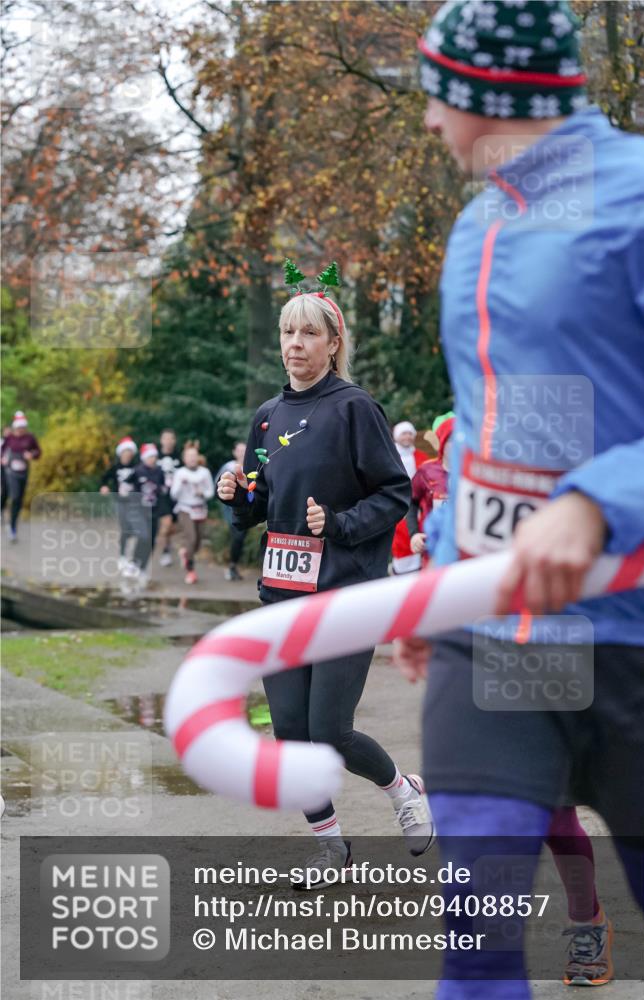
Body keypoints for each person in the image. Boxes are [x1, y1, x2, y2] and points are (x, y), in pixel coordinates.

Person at [395, 2, 644, 995]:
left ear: (487, 97)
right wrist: (434, 578)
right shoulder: (475, 228)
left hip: (641, 634)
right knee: (478, 925)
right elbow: (485, 430)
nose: (428, 120)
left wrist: (596, 502)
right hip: (499, 633)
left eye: (437, 95)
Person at [218, 265, 433, 886]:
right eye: (288, 332)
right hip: (282, 596)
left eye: (309, 334)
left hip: (343, 594)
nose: (295, 344)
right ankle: (331, 847)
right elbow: (258, 506)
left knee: (328, 731)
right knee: (290, 732)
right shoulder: (267, 416)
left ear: (333, 343)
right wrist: (236, 494)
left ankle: (404, 790)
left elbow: (395, 494)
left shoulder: (355, 409)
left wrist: (337, 524)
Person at [408, 413, 455, 563]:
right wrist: (414, 534)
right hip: (434, 550)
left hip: (465, 550)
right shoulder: (426, 471)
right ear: (442, 444)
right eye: (451, 440)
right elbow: (410, 502)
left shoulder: (473, 472)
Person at [171, 441, 214, 585]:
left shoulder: (204, 472)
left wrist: (203, 493)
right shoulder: (180, 473)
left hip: (200, 508)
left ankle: (185, 553)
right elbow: (173, 494)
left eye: (194, 456)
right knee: (190, 538)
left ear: (198, 457)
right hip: (185, 509)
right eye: (189, 456)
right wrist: (180, 484)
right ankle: (191, 571)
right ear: (184, 459)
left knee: (197, 542)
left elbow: (211, 492)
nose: (192, 459)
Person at [390, 420, 430, 574]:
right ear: (396, 436)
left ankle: (419, 567)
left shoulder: (422, 456)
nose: (407, 437)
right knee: (400, 537)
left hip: (418, 503)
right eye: (403, 433)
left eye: (409, 433)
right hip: (397, 502)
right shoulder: (390, 455)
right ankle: (401, 571)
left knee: (418, 533)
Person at [126, 443, 167, 590]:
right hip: (139, 510)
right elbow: (126, 486)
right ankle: (133, 562)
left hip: (154, 510)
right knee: (143, 536)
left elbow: (163, 489)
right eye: (150, 457)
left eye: (154, 457)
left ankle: (142, 568)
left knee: (151, 541)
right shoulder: (137, 471)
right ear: (144, 458)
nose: (152, 459)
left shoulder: (159, 471)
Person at [100, 435, 139, 572]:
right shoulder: (115, 467)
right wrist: (104, 486)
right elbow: (104, 478)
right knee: (125, 528)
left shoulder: (136, 467)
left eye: (129, 453)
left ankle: (132, 558)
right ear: (121, 453)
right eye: (125, 452)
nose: (127, 455)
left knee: (134, 530)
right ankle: (122, 557)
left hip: (134, 502)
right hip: (120, 501)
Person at [0, 410, 41, 542]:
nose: (21, 429)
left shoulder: (30, 438)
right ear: (15, 427)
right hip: (9, 471)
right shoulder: (9, 437)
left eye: (23, 427)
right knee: (13, 495)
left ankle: (13, 526)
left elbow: (38, 452)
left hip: (23, 472)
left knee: (18, 500)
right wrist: (2, 459)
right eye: (19, 427)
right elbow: (2, 450)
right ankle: (8, 521)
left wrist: (32, 455)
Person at [217, 441, 248, 581]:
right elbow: (217, 486)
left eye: (244, 450)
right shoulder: (228, 467)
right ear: (234, 452)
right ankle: (231, 566)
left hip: (248, 509)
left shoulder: (252, 466)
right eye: (239, 450)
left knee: (240, 539)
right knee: (238, 536)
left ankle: (233, 566)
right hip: (231, 510)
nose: (242, 453)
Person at [156, 428, 182, 567]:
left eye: (171, 438)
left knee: (173, 527)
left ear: (174, 440)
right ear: (161, 440)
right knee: (166, 523)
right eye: (165, 438)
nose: (168, 441)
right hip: (160, 496)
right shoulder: (155, 456)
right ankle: (165, 551)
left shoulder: (179, 457)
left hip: (176, 496)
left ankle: (165, 543)